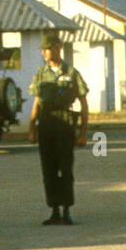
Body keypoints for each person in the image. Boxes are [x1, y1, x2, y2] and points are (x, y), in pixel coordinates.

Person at [27, 31, 89, 225]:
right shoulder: (40, 73)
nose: (44, 52)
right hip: (46, 124)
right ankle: (54, 210)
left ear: (57, 48)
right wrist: (32, 128)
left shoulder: (71, 73)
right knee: (48, 169)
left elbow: (83, 103)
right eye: (43, 50)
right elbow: (37, 102)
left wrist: (83, 132)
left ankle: (66, 210)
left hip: (65, 123)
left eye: (47, 49)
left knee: (65, 168)